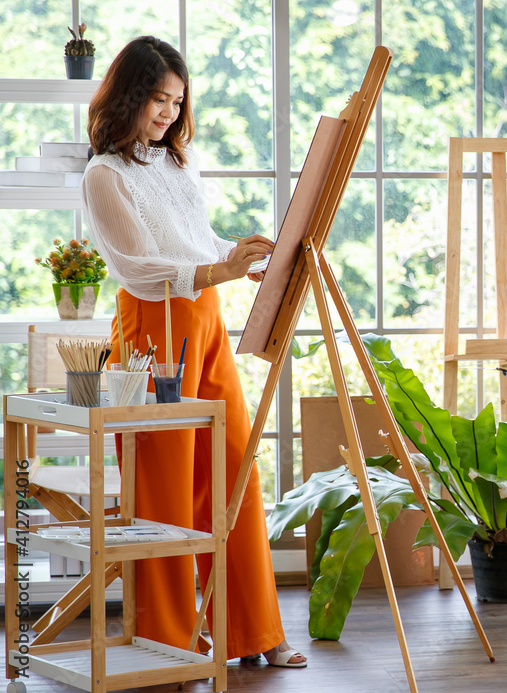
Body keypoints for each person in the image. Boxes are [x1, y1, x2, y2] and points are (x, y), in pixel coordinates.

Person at [80, 36, 306, 668]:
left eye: (177, 102)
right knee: (165, 492)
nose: (169, 115)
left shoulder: (180, 164)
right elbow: (141, 266)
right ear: (129, 96)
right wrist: (221, 270)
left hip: (205, 322)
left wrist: (242, 255)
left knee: (234, 472)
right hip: (152, 329)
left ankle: (254, 632)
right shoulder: (104, 174)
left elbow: (195, 240)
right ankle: (169, 643)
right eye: (158, 99)